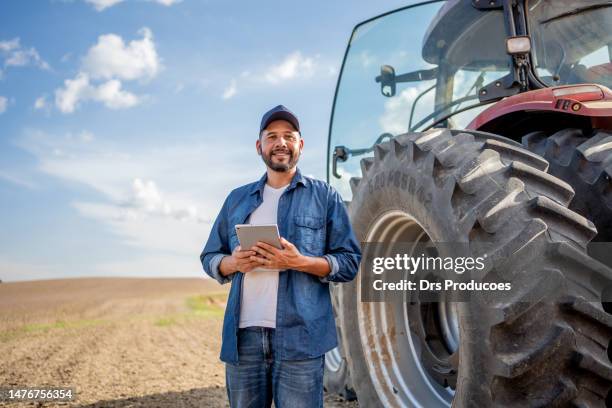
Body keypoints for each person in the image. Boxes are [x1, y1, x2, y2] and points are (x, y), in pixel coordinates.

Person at [200, 104, 361, 408]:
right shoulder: (237, 199)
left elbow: (350, 261)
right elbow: (210, 256)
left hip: (301, 339)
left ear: (300, 145)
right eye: (272, 136)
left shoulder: (325, 197)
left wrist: (298, 262)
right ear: (259, 146)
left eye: (289, 136)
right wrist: (233, 263)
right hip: (244, 341)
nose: (281, 143)